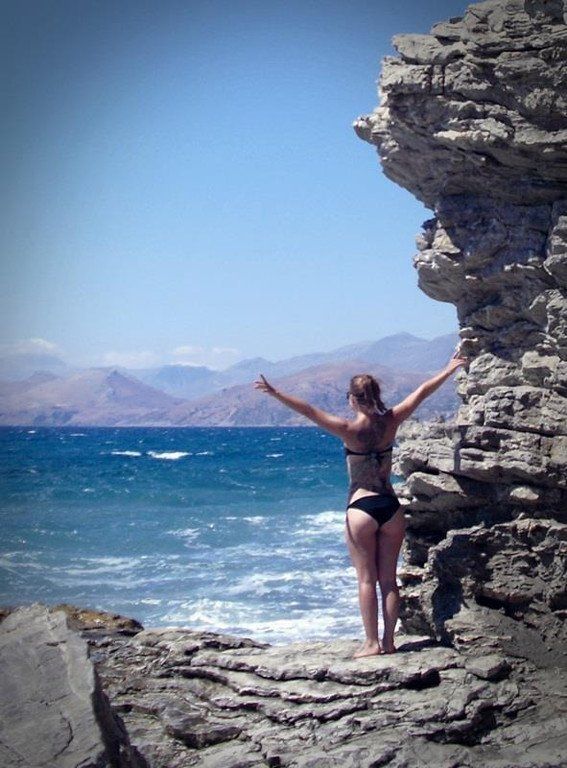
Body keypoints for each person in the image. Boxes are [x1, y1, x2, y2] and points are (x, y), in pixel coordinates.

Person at [253, 350, 466, 658]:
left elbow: (309, 410)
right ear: (376, 396)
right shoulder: (392, 420)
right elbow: (421, 392)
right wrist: (448, 369)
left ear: (353, 399)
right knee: (389, 580)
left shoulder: (348, 429)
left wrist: (275, 393)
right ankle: (389, 642)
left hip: (361, 508)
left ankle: (371, 644)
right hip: (390, 507)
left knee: (366, 580)